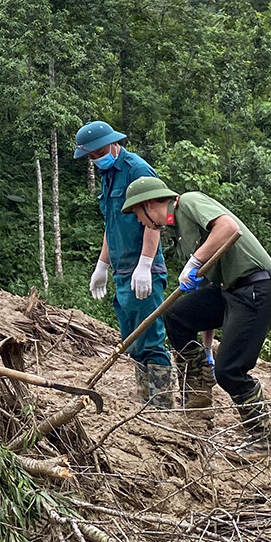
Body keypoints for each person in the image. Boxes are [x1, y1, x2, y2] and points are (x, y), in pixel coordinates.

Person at [121, 177, 271, 456]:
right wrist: (206, 349)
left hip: (256, 289)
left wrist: (196, 261)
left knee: (230, 370)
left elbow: (228, 227)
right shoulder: (179, 233)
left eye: (137, 214)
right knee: (178, 316)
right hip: (228, 291)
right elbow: (210, 287)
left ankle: (262, 440)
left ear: (148, 204)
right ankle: (198, 384)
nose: (140, 221)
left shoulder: (189, 202)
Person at [74, 120, 173, 407]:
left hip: (144, 270)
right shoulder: (107, 175)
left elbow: (157, 219)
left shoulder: (137, 170)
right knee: (132, 338)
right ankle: (145, 400)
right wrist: (102, 265)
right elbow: (111, 223)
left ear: (113, 144)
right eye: (91, 156)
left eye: (97, 153)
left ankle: (161, 404)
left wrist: (145, 264)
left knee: (151, 336)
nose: (95, 159)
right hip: (122, 270)